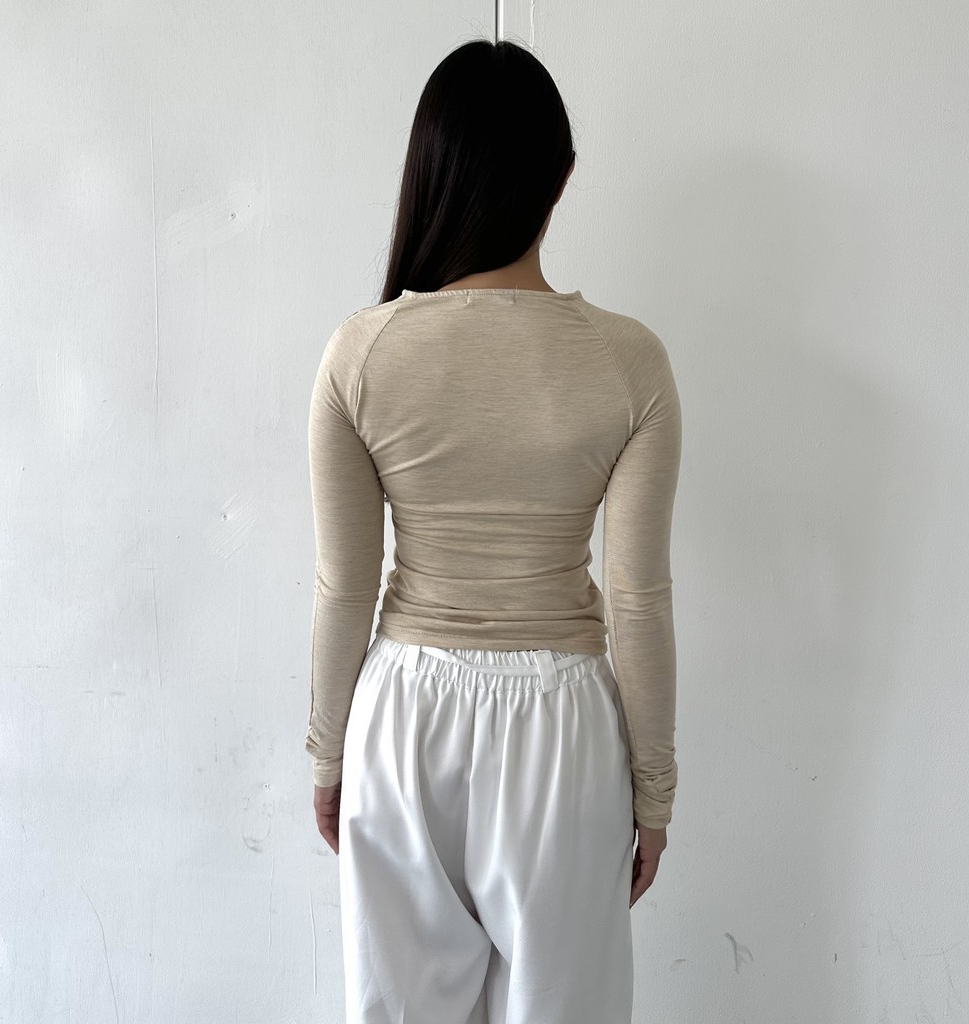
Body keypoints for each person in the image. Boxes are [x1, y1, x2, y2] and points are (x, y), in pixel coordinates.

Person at [305, 36, 682, 1024]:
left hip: (402, 714)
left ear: (428, 171)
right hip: (562, 725)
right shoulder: (629, 363)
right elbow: (637, 598)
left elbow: (344, 585)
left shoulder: (360, 354)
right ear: (562, 176)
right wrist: (653, 792)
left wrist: (328, 753)